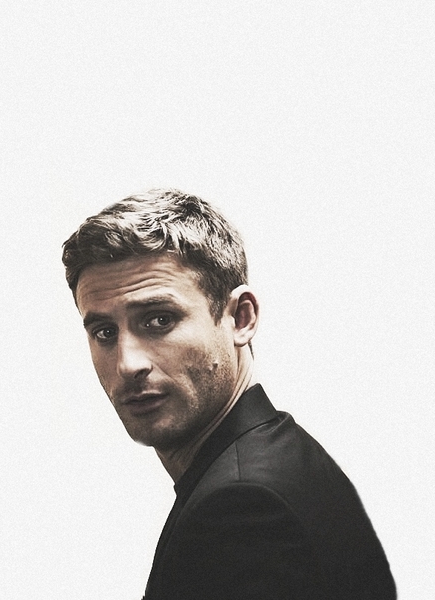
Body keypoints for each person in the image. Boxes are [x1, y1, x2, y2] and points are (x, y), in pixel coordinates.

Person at [62, 188, 396, 600]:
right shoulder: (279, 459)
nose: (128, 364)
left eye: (159, 320)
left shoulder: (242, 508)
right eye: (104, 332)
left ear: (240, 317)